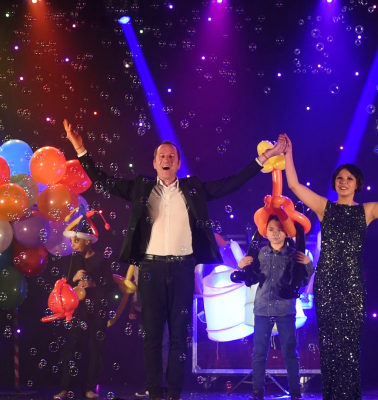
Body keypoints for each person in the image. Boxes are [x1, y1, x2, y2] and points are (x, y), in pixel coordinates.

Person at [64, 120, 287, 400]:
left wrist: (265, 157)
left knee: (180, 335)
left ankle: (173, 393)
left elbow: (233, 182)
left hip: (182, 268)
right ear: (154, 163)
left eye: (171, 156)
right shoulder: (140, 188)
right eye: (162, 156)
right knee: (152, 336)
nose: (166, 159)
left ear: (178, 163)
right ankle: (155, 393)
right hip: (150, 269)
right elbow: (103, 180)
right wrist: (80, 149)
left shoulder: (192, 188)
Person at [281, 133, 378, 400]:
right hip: (326, 284)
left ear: (357, 184)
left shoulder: (366, 211)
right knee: (329, 346)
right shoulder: (324, 207)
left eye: (349, 178)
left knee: (349, 346)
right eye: (339, 178)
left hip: (353, 285)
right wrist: (288, 154)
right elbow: (294, 185)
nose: (343, 181)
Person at [238, 215, 314, 400]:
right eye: (271, 229)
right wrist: (241, 267)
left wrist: (308, 265)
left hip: (285, 309)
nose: (275, 233)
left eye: (280, 229)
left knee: (290, 351)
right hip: (263, 309)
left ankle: (295, 391)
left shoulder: (294, 255)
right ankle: (257, 391)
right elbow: (250, 278)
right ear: (265, 231)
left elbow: (302, 281)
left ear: (286, 231)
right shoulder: (260, 253)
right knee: (259, 352)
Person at [54, 214, 113, 400]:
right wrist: (73, 279)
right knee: (71, 347)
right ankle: (65, 388)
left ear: (87, 241)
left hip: (97, 310)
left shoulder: (101, 260)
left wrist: (94, 284)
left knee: (95, 349)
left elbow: (110, 285)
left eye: (77, 240)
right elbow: (62, 287)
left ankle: (89, 388)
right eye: (71, 241)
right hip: (78, 311)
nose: (73, 244)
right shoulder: (72, 261)